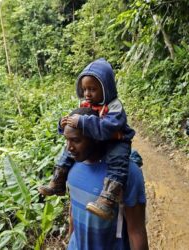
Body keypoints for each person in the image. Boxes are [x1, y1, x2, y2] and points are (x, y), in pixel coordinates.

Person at [39, 58, 135, 220]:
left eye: (92, 89)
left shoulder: (114, 106)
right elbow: (76, 126)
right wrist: (63, 124)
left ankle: (108, 199)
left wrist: (82, 121)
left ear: (106, 89)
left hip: (116, 138)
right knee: (69, 149)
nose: (87, 93)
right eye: (84, 89)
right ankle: (58, 181)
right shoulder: (87, 104)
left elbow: (106, 128)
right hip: (95, 138)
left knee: (117, 161)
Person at [64, 107, 148, 249]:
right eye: (67, 140)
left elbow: (136, 231)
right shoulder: (71, 165)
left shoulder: (126, 173)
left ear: (96, 138)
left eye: (76, 140)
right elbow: (74, 212)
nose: (69, 148)